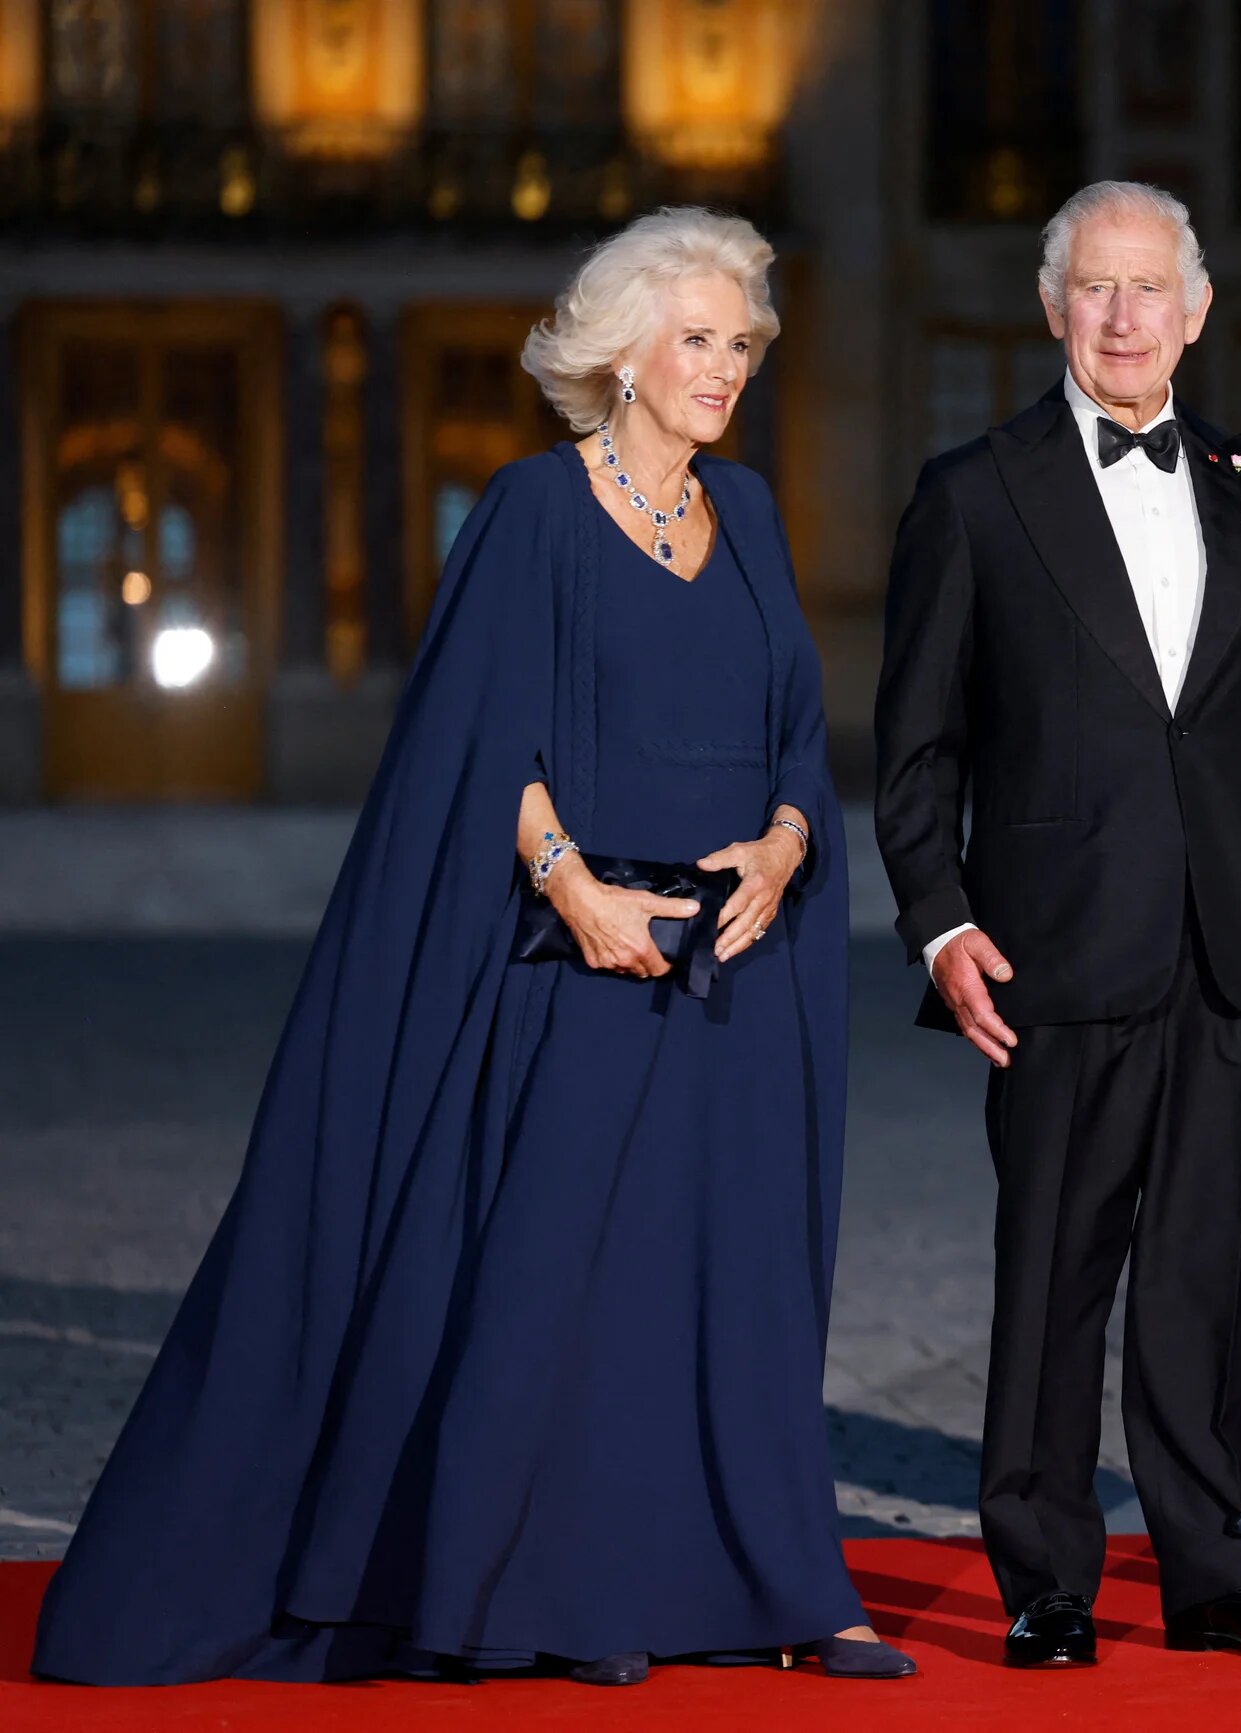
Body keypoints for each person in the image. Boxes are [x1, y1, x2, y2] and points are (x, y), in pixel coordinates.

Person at [33, 208, 912, 1687]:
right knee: (553, 1299)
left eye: (741, 342)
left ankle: (778, 1587)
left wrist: (786, 840)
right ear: (621, 352)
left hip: (730, 983)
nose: (725, 367)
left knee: (725, 1297)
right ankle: (533, 1595)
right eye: (696, 340)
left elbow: (788, 736)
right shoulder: (532, 510)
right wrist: (574, 889)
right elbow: (469, 744)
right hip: (579, 968)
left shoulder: (750, 515)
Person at [873, 180, 1241, 1668]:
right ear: (1053, 306)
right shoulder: (973, 491)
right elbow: (914, 752)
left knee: (1211, 1272)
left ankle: (1212, 1567)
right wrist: (944, 927)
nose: (1127, 315)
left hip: (1231, 949)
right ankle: (1044, 1575)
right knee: (1054, 1275)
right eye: (1098, 288)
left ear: (1197, 311)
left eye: (1153, 289)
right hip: (1054, 951)